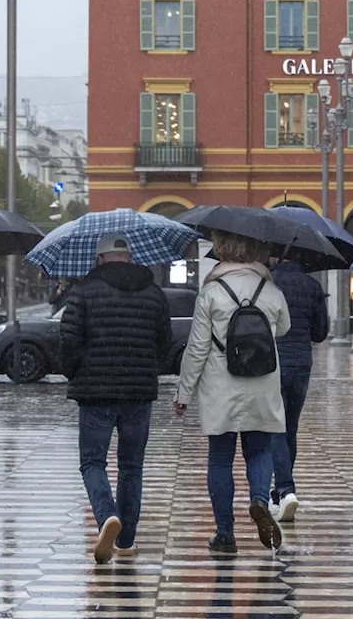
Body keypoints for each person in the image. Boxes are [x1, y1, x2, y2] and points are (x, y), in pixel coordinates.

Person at [175, 231, 290, 554]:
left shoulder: (211, 292)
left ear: (222, 249)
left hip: (220, 387)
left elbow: (197, 348)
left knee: (221, 458)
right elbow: (284, 329)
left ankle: (225, 533)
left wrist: (183, 394)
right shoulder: (271, 290)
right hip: (262, 383)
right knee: (259, 450)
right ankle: (258, 499)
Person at [59, 234, 171, 563]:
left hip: (95, 393)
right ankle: (126, 541)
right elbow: (165, 343)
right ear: (129, 256)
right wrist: (149, 367)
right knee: (131, 466)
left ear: (100, 259)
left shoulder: (82, 291)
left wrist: (73, 372)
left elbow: (67, 339)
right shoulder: (154, 293)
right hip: (138, 391)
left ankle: (107, 515)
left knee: (93, 462)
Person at [268, 258, 329, 522]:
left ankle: (284, 490)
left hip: (273, 363)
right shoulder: (312, 285)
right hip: (302, 363)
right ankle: (282, 492)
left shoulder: (268, 283)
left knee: (274, 429)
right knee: (290, 429)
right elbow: (320, 332)